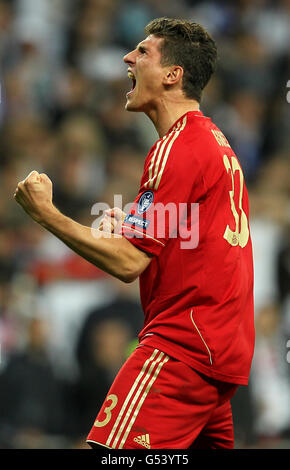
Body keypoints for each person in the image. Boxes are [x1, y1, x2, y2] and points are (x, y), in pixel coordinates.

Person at [14, 18, 255, 449]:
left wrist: (46, 214)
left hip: (179, 348)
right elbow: (184, 240)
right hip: (217, 355)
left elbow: (129, 263)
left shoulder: (177, 148)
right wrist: (125, 228)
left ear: (172, 75)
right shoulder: (212, 142)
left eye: (143, 52)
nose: (128, 57)